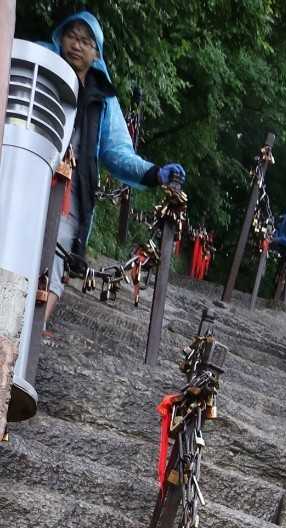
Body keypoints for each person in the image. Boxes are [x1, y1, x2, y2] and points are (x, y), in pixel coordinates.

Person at [43, 12, 185, 334]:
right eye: (71, 36)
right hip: (25, 177)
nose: (76, 45)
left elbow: (118, 152)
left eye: (86, 41)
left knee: (54, 263)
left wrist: (154, 172)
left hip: (69, 196)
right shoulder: (39, 66)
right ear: (59, 37)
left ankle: (27, 342)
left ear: (97, 52)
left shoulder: (103, 101)